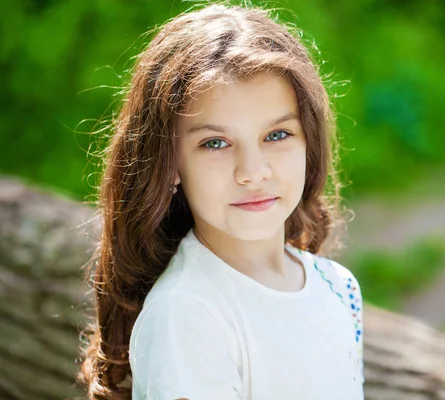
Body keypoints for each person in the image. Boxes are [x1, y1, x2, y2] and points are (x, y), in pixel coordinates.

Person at [77, 3, 364, 399]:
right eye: (216, 143)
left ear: (308, 141)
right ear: (171, 163)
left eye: (277, 135)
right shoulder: (187, 316)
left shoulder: (338, 288)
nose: (252, 170)